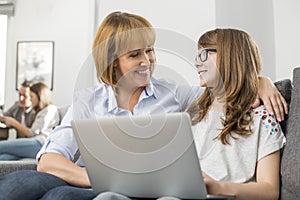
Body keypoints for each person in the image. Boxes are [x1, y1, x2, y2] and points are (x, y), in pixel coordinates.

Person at [0, 12, 287, 200]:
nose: (148, 61)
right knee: (17, 184)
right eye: (135, 54)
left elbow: (225, 86)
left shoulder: (176, 96)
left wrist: (260, 80)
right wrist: (98, 178)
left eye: (150, 50)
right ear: (113, 61)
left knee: (59, 198)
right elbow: (49, 160)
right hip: (86, 180)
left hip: (140, 192)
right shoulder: (88, 101)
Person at [185, 28, 285, 199]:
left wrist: (218, 187)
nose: (196, 63)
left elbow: (270, 190)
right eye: (197, 56)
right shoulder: (194, 114)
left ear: (230, 57)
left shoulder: (262, 119)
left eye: (204, 54)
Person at [0, 82, 60, 160]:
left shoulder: (50, 109)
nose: (30, 100)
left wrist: (13, 122)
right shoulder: (39, 111)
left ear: (40, 97)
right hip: (33, 143)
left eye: (31, 96)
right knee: (4, 158)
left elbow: (32, 133)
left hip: (40, 144)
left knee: (1, 146)